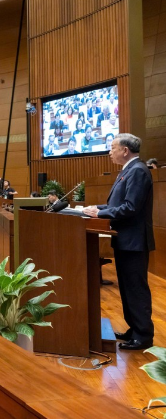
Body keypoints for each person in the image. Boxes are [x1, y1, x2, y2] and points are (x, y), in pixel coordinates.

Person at [84, 133, 154, 350]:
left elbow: (131, 207)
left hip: (134, 242)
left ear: (125, 150)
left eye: (112, 147)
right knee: (127, 288)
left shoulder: (138, 171)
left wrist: (100, 214)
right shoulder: (129, 171)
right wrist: (98, 209)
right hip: (126, 241)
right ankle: (134, 329)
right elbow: (120, 204)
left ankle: (143, 336)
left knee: (135, 288)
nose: (109, 151)